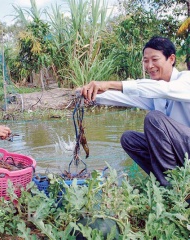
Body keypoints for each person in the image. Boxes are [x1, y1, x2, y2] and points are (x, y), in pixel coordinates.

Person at [81, 36, 190, 187]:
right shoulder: (155, 90)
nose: (150, 65)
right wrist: (89, 94)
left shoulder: (186, 80)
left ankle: (174, 188)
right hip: (178, 149)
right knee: (129, 139)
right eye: (146, 61)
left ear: (171, 59)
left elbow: (164, 90)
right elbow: (127, 98)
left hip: (187, 146)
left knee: (154, 119)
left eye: (155, 59)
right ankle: (166, 180)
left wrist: (109, 83)